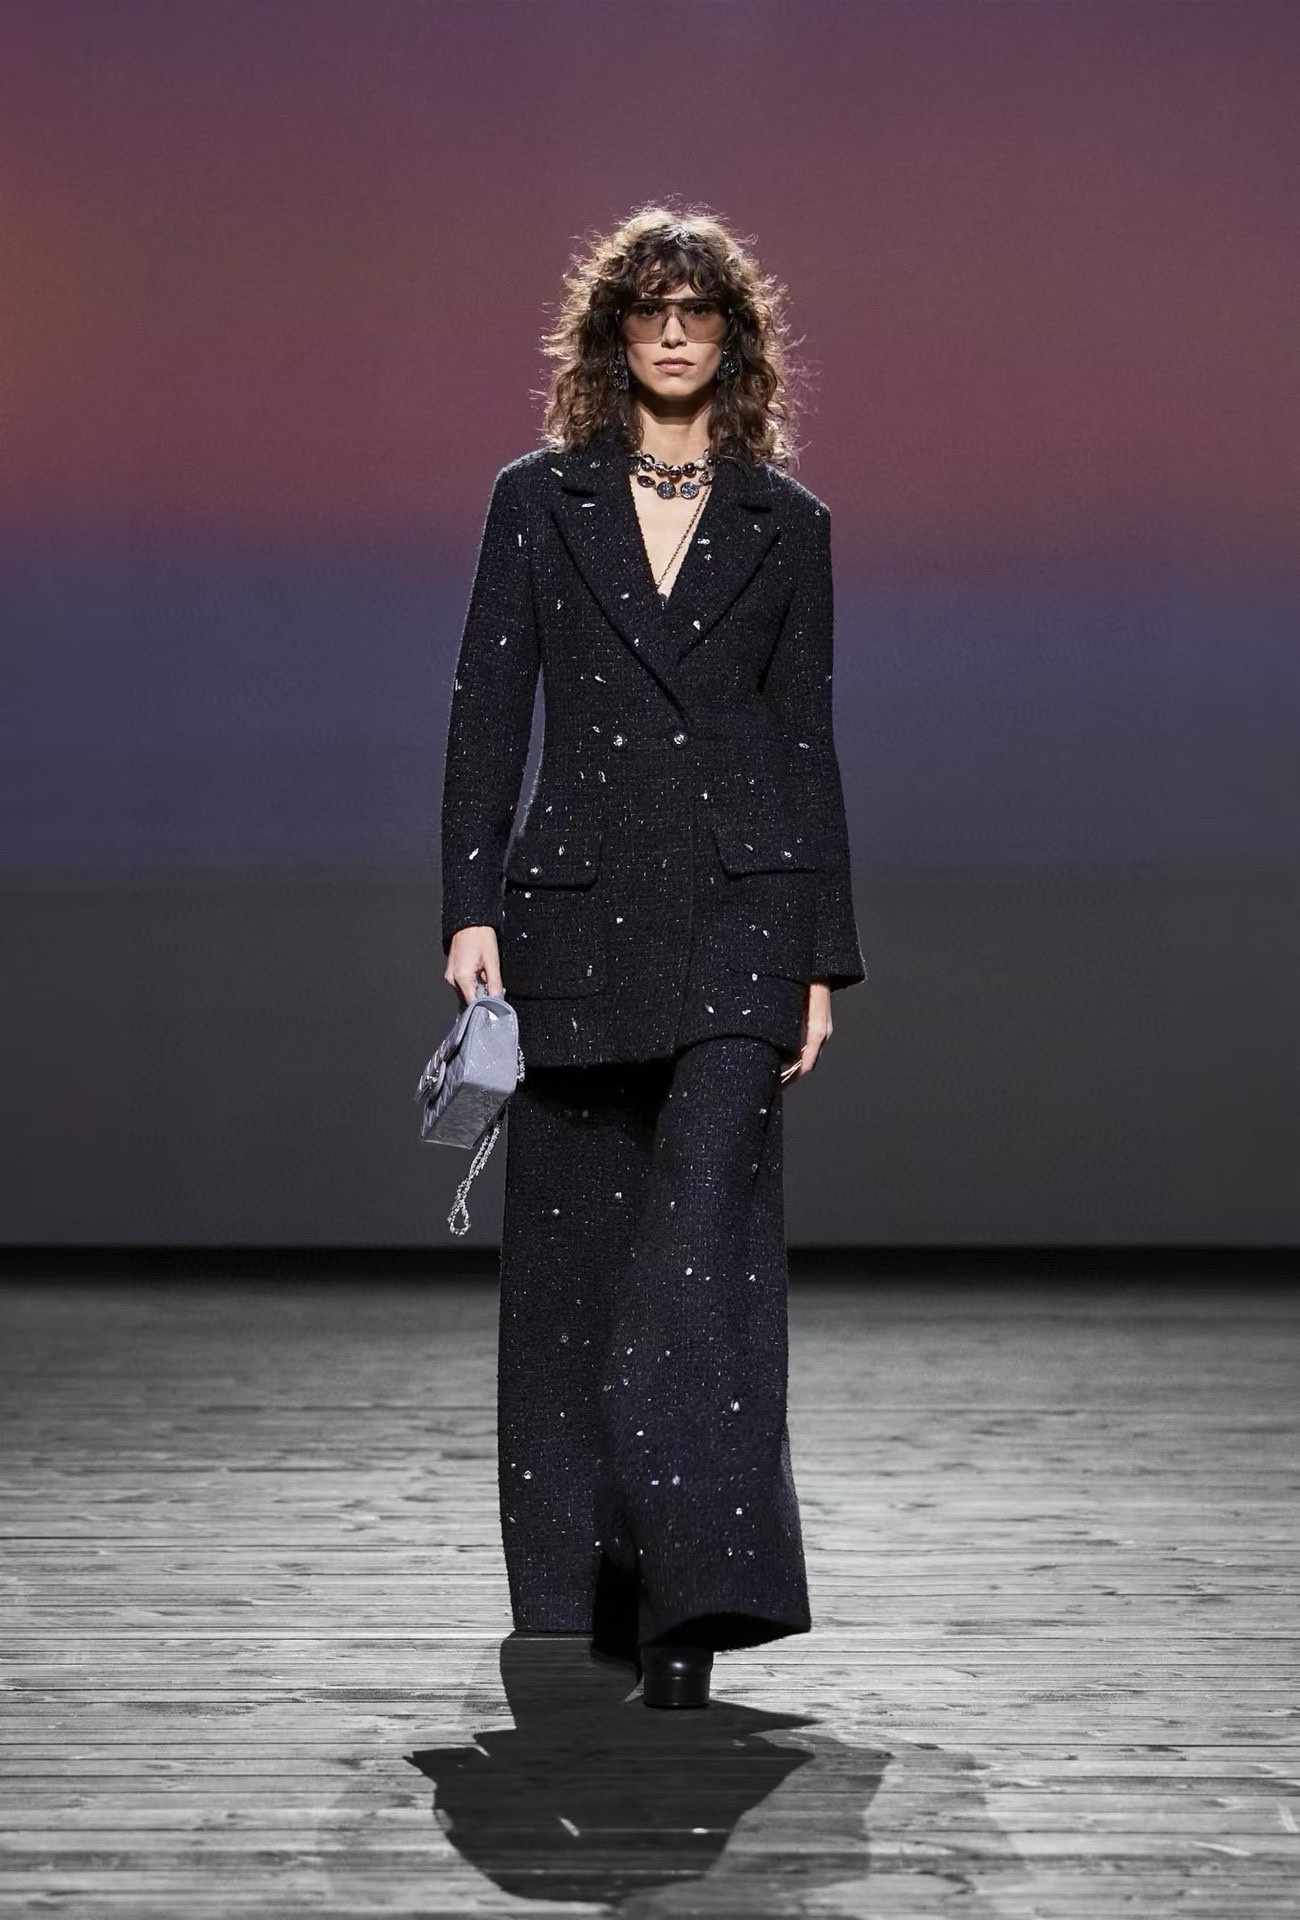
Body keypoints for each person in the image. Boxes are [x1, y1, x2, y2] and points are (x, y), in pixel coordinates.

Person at [439, 206, 866, 1709]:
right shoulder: (535, 501)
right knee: (570, 1261)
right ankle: (579, 1589)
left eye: (699, 311)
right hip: (573, 912)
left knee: (695, 1260)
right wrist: (469, 905)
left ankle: (693, 1602)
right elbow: (489, 711)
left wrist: (822, 957)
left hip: (745, 919)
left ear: (732, 338)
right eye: (650, 309)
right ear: (614, 332)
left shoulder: (789, 524)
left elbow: (805, 742)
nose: (674, 333)